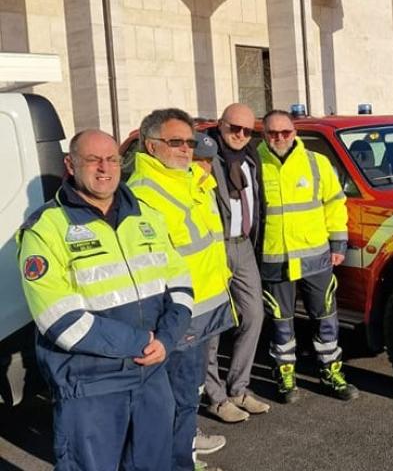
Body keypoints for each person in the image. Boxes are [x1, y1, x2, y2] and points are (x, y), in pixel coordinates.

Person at [17, 129, 193, 471]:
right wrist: (143, 342)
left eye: (112, 158)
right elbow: (59, 322)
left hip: (152, 374)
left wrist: (167, 339)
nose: (104, 168)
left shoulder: (146, 216)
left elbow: (181, 285)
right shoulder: (45, 229)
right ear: (70, 164)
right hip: (91, 385)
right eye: (92, 159)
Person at [128, 109, 234, 471]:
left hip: (205, 308)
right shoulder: (143, 193)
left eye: (189, 142)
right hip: (178, 317)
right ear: (151, 145)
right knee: (174, 401)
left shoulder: (190, 180)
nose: (186, 149)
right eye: (176, 142)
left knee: (189, 397)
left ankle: (183, 457)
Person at [258, 110, 358, 403]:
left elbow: (335, 203)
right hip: (274, 257)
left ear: (294, 132)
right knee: (280, 319)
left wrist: (339, 245)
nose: (280, 138)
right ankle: (285, 373)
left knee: (325, 316)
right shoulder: (254, 165)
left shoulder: (316, 163)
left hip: (316, 257)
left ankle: (331, 371)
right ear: (264, 135)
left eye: (285, 132)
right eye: (273, 133)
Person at [204, 104, 270, 423]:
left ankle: (239, 387)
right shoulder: (205, 158)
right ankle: (215, 397)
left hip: (242, 246)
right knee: (213, 325)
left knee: (254, 315)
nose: (241, 135)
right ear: (221, 125)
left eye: (248, 130)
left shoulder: (250, 158)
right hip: (213, 248)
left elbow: (258, 205)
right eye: (235, 129)